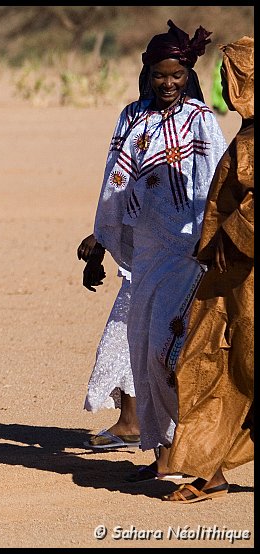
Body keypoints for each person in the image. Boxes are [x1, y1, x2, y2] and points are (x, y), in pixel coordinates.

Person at [89, 20, 228, 482]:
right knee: (141, 353)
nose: (168, 84)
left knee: (167, 354)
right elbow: (115, 181)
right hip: (145, 254)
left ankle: (197, 459)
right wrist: (101, 240)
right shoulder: (131, 115)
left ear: (188, 75)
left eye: (177, 75)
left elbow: (215, 187)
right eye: (159, 75)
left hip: (187, 253)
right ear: (146, 72)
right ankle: (164, 459)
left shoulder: (200, 120)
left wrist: (215, 245)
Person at [163, 36, 254, 504]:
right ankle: (206, 464)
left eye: (231, 77)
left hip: (245, 273)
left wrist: (230, 236)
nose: (224, 85)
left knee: (241, 365)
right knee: (204, 359)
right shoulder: (247, 133)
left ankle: (211, 467)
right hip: (227, 276)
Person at [77, 234, 140, 449]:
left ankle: (175, 448)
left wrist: (101, 236)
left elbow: (140, 202)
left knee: (158, 343)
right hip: (152, 256)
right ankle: (132, 423)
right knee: (125, 340)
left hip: (170, 256)